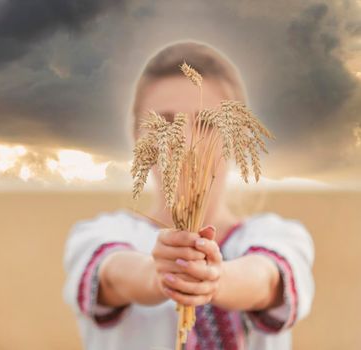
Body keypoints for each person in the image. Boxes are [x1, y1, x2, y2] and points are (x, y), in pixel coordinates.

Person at [62, 41, 315, 350]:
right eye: (164, 122)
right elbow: (112, 275)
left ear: (235, 138)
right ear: (137, 137)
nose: (185, 141)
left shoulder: (278, 235)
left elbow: (267, 279)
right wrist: (158, 275)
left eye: (207, 123)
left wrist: (215, 278)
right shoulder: (102, 234)